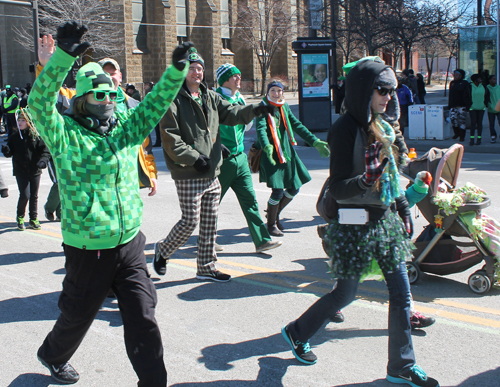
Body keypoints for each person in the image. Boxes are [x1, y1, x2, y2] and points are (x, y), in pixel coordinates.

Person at [28, 22, 190, 385]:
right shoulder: (64, 134)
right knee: (76, 316)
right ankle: (52, 354)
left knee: (143, 317)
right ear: (82, 99)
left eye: (111, 95)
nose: (107, 101)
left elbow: (155, 104)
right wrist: (63, 57)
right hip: (89, 249)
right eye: (98, 96)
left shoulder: (126, 128)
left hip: (130, 243)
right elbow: (37, 104)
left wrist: (176, 69)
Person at [281, 59, 439, 387]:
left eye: (391, 90)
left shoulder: (387, 127)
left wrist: (404, 210)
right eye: (381, 89)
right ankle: (297, 331)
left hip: (384, 222)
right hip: (352, 225)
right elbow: (337, 188)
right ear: (364, 90)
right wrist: (365, 181)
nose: (387, 96)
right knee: (345, 293)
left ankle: (401, 366)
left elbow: (392, 177)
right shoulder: (343, 129)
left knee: (401, 293)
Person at [153, 48, 274, 282]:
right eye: (192, 68)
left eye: (199, 68)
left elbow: (231, 113)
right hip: (188, 172)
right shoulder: (173, 99)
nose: (196, 72)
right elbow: (170, 138)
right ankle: (163, 250)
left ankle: (206, 266)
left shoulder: (209, 96)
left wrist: (255, 110)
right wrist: (194, 158)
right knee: (190, 221)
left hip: (212, 170)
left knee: (209, 222)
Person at [215, 63, 282, 254]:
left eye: (239, 75)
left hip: (240, 158)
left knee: (250, 200)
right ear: (225, 79)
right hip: (222, 160)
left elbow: (247, 125)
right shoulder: (215, 98)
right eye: (234, 76)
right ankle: (207, 240)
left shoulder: (240, 98)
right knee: (212, 203)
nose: (238, 78)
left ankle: (262, 240)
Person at [255, 80, 330, 237]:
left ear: (283, 92)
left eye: (279, 91)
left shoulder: (284, 106)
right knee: (277, 191)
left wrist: (314, 141)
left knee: (294, 188)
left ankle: (273, 215)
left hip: (286, 153)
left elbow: (297, 125)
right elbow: (261, 129)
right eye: (273, 91)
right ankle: (271, 225)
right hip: (272, 155)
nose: (276, 94)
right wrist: (266, 146)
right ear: (268, 92)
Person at [97, 57, 159, 196]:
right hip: (100, 179)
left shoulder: (133, 105)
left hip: (129, 179)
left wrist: (151, 172)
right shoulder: (86, 104)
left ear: (120, 76)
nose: (109, 77)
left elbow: (145, 145)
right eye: (104, 74)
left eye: (112, 73)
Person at [1, 108, 50, 230]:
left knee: (34, 195)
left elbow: (45, 151)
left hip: (35, 171)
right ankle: (20, 217)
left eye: (23, 120)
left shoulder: (36, 136)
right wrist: (6, 151)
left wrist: (43, 161)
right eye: (19, 120)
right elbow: (9, 153)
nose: (20, 123)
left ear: (29, 121)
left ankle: (33, 219)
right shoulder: (14, 137)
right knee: (25, 195)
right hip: (20, 171)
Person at [448, 69, 471, 142]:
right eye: (454, 75)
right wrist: (450, 104)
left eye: (457, 75)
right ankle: (456, 133)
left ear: (461, 76)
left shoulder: (465, 83)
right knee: (453, 119)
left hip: (462, 105)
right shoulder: (452, 83)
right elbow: (450, 95)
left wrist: (467, 105)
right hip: (454, 105)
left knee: (462, 121)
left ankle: (462, 136)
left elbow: (468, 94)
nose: (455, 76)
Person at [468, 73, 486, 146]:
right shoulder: (470, 86)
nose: (480, 80)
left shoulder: (484, 86)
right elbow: (466, 96)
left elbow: (487, 95)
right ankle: (472, 139)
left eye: (481, 78)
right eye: (479, 78)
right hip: (472, 108)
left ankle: (479, 139)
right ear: (475, 80)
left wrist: (485, 103)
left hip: (481, 107)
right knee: (473, 123)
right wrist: (469, 104)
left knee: (479, 123)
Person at [485, 74, 500, 144]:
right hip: (491, 109)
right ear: (490, 80)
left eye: (496, 79)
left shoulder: (498, 87)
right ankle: (493, 136)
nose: (495, 80)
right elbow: (485, 98)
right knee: (491, 124)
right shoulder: (487, 88)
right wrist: (488, 105)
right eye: (493, 79)